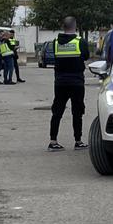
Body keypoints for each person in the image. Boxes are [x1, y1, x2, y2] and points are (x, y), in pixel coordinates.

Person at [48, 16, 90, 152]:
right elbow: (86, 56)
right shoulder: (80, 42)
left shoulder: (55, 42)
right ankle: (78, 141)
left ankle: (53, 141)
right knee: (77, 112)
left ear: (63, 26)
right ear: (75, 26)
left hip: (60, 82)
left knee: (57, 111)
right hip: (76, 82)